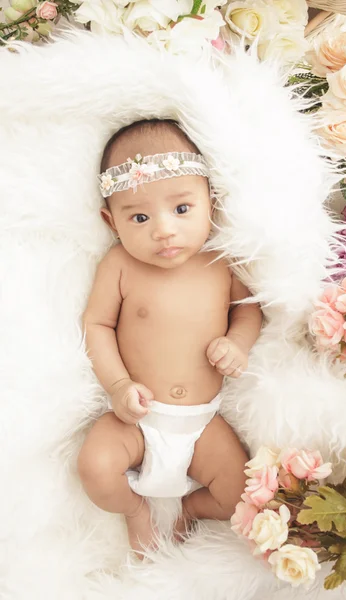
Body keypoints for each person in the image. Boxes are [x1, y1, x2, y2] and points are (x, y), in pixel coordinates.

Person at [78, 118, 263, 556]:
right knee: (95, 468)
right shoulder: (119, 264)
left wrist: (238, 343)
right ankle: (135, 509)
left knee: (242, 493)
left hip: (202, 425)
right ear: (111, 221)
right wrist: (119, 386)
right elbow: (97, 325)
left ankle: (193, 508)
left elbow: (251, 310)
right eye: (139, 217)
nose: (163, 230)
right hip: (135, 420)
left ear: (210, 204)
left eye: (182, 209)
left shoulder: (221, 261)